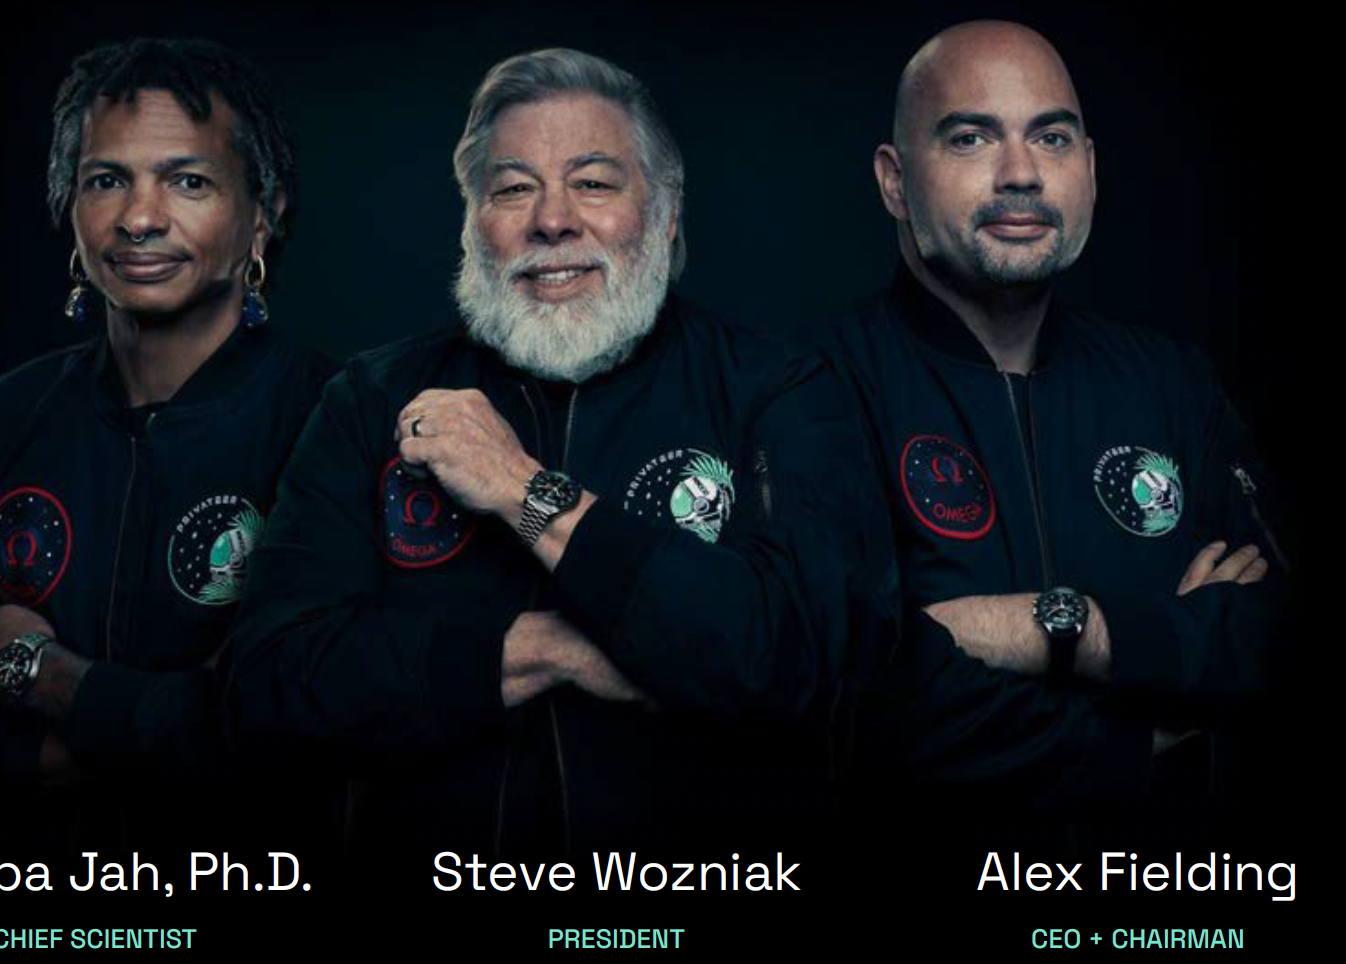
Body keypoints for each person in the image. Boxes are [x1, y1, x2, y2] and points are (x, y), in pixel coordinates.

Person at [227, 48, 879, 857]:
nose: (552, 219)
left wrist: (523, 490)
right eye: (512, 188)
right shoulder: (370, 398)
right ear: (472, 223)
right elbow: (269, 682)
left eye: (594, 182)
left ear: (667, 214)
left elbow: (809, 662)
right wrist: (540, 651)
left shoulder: (775, 390)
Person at [0, 38, 336, 856]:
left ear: (265, 211)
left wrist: (39, 675)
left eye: (189, 181)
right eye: (106, 180)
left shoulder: (334, 418)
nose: (140, 218)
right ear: (68, 210)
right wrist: (79, 751)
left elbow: (302, 715)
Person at [821, 21, 1289, 841]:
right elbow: (852, 691)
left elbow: (1271, 632)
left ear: (1092, 170)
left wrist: (1057, 628)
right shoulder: (816, 386)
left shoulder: (1172, 383)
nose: (1022, 174)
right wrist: (1140, 729)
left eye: (1052, 137)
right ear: (895, 182)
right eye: (970, 138)